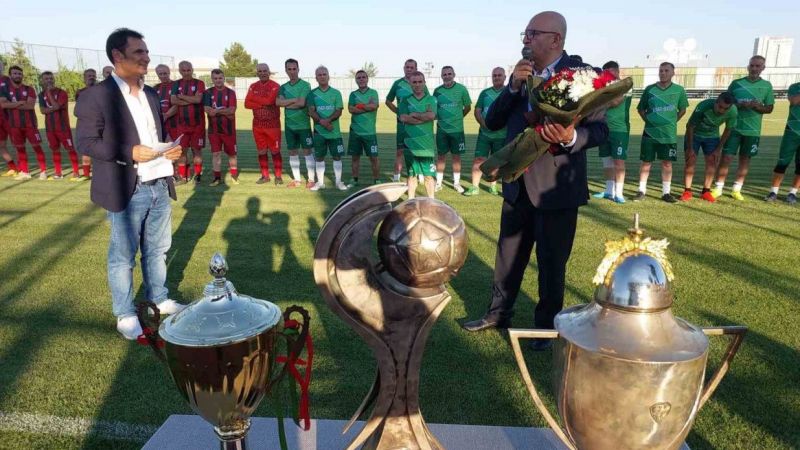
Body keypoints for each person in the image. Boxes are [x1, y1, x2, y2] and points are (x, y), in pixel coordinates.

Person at [461, 11, 608, 352]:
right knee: (507, 256)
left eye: (533, 33)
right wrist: (513, 86)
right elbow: (493, 122)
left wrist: (572, 137)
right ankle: (498, 313)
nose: (526, 39)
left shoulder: (583, 75)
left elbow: (601, 130)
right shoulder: (520, 75)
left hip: (557, 189)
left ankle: (546, 329)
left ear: (556, 39)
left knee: (552, 263)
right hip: (518, 184)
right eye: (524, 34)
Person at [75, 28, 185, 340]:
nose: (146, 58)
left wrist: (169, 148)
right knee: (123, 256)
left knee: (158, 249)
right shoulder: (96, 96)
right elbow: (85, 142)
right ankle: (124, 313)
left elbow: (153, 136)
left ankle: (159, 299)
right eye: (139, 52)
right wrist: (129, 152)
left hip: (159, 182)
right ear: (117, 56)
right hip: (127, 186)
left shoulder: (151, 94)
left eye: (146, 52)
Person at [713, 55, 774, 201]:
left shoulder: (767, 86)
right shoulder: (736, 84)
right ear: (748, 67)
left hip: (753, 131)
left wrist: (757, 106)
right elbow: (726, 102)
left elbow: (769, 108)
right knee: (726, 158)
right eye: (752, 65)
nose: (754, 68)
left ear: (763, 68)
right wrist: (740, 105)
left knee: (745, 160)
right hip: (734, 128)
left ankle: (736, 189)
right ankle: (718, 188)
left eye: (757, 66)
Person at [633, 62, 688, 203]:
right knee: (646, 162)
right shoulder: (650, 89)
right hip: (650, 133)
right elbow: (640, 109)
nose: (663, 73)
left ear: (673, 73)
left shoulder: (679, 90)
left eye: (666, 70)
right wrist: (648, 121)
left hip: (668, 134)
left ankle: (666, 193)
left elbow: (683, 110)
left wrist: (671, 122)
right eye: (661, 70)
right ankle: (641, 191)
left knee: (667, 163)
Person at [680, 92, 737, 202]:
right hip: (694, 135)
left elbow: (728, 130)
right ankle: (687, 191)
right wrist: (690, 148)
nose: (722, 111)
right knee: (690, 160)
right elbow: (690, 126)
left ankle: (706, 191)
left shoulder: (733, 111)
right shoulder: (703, 106)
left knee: (712, 161)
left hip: (712, 137)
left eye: (725, 109)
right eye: (720, 107)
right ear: (716, 102)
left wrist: (718, 149)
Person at [0, 65, 48, 181]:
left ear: (22, 75)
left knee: (37, 147)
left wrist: (12, 105)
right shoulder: (6, 91)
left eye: (19, 74)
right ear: (10, 75)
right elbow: (3, 105)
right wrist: (20, 102)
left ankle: (43, 171)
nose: (17, 76)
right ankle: (25, 172)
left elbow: (30, 106)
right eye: (15, 73)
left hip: (30, 124)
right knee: (20, 149)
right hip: (15, 125)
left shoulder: (29, 89)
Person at [464, 67, 506, 197]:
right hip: (485, 134)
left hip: (501, 135)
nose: (496, 77)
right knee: (479, 160)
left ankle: (493, 186)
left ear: (505, 77)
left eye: (499, 75)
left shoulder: (508, 93)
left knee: (496, 161)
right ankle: (474, 187)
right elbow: (477, 110)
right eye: (494, 75)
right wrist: (484, 124)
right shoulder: (485, 93)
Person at [592, 61, 630, 203]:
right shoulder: (604, 86)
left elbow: (615, 102)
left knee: (618, 162)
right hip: (603, 127)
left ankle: (618, 193)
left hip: (619, 130)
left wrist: (598, 102)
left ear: (617, 71)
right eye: (605, 72)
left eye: (609, 72)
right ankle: (609, 191)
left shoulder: (625, 85)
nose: (606, 75)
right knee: (606, 161)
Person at [386, 59, 429, 182]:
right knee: (400, 151)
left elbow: (428, 100)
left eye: (411, 67)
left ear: (416, 69)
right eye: (407, 67)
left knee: (418, 150)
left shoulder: (420, 84)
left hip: (418, 124)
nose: (409, 69)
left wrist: (422, 116)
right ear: (404, 68)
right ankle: (396, 178)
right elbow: (388, 101)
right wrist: (398, 112)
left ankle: (420, 175)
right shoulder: (397, 83)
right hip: (403, 124)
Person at [399, 71, 437, 198]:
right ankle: (411, 201)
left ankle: (431, 201)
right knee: (411, 175)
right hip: (411, 144)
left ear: (424, 82)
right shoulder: (405, 100)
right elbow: (403, 118)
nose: (417, 84)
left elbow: (431, 116)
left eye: (420, 81)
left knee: (429, 176)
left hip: (427, 146)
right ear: (410, 84)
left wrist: (414, 115)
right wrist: (423, 117)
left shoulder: (431, 99)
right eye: (414, 82)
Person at [307, 66, 346, 191]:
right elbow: (311, 111)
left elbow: (339, 111)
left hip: (334, 132)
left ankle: (338, 182)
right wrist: (322, 122)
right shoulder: (312, 94)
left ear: (328, 76)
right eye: (319, 75)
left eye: (324, 74)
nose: (322, 76)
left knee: (337, 157)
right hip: (319, 132)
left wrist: (327, 121)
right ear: (316, 78)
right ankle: (320, 183)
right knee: (319, 157)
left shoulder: (336, 93)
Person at [433, 65, 471, 193]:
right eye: (444, 74)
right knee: (441, 156)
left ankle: (456, 183)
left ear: (454, 75)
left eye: (449, 74)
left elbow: (467, 107)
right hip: (442, 130)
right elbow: (434, 109)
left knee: (456, 157)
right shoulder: (437, 91)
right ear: (441, 76)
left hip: (457, 130)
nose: (447, 76)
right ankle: (438, 183)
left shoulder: (461, 89)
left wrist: (458, 118)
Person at [277, 59, 314, 188]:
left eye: (294, 69)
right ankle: (297, 180)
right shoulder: (283, 87)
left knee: (307, 152)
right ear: (286, 70)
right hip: (289, 126)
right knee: (292, 152)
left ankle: (311, 179)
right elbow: (278, 103)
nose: (292, 71)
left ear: (298, 69)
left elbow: (302, 103)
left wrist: (287, 103)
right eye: (289, 69)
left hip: (304, 125)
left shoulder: (305, 85)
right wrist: (294, 100)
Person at [245, 63, 282, 184]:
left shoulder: (275, 86)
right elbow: (247, 104)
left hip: (273, 125)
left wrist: (254, 99)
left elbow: (270, 101)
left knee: (275, 151)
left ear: (269, 72)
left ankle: (278, 177)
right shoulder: (253, 86)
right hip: (257, 125)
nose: (262, 73)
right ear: (257, 73)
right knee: (261, 151)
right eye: (260, 71)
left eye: (265, 71)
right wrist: (262, 103)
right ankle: (265, 176)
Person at [38, 71, 79, 180]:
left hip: (63, 127)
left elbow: (56, 106)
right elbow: (42, 111)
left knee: (70, 149)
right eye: (46, 79)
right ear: (42, 80)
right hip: (50, 128)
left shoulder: (61, 92)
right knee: (55, 150)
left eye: (51, 78)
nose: (49, 80)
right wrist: (51, 108)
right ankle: (58, 173)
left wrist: (48, 93)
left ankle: (76, 172)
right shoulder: (41, 95)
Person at [170, 60, 206, 184]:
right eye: (183, 70)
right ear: (180, 71)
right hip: (182, 125)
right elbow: (173, 101)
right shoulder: (176, 84)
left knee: (197, 151)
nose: (186, 73)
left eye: (188, 70)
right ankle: (183, 176)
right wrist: (191, 99)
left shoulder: (199, 83)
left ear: (192, 69)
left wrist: (181, 96)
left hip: (198, 125)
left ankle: (198, 175)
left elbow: (198, 100)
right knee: (182, 152)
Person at [765, 81, 800, 205]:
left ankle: (793, 193)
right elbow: (794, 101)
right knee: (782, 162)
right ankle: (773, 192)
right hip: (792, 131)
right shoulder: (795, 87)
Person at [204, 68, 238, 186]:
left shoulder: (231, 93)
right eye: (215, 78)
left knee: (232, 154)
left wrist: (217, 111)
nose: (218, 80)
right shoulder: (208, 93)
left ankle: (234, 176)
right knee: (216, 154)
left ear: (224, 78)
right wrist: (224, 110)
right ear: (212, 79)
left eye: (220, 78)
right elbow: (208, 110)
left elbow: (232, 110)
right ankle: (217, 178)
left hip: (229, 130)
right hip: (214, 131)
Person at [347, 70, 380, 186]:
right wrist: (366, 107)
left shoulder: (373, 93)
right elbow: (351, 109)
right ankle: (354, 180)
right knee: (355, 158)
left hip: (369, 132)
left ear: (367, 79)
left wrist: (359, 106)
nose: (361, 79)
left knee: (374, 158)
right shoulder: (353, 94)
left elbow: (374, 106)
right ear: (356, 80)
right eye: (359, 78)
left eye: (363, 77)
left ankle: (377, 180)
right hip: (355, 132)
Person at [73, 69, 97, 181]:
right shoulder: (80, 92)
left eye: (93, 75)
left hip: (98, 124)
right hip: (85, 125)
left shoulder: (100, 90)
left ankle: (99, 173)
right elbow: (77, 110)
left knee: (99, 149)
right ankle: (86, 174)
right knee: (85, 149)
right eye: (89, 75)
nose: (91, 77)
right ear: (84, 78)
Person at [0, 60, 20, 177]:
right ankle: (12, 167)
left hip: (8, 116)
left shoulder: (7, 80)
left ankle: (22, 167)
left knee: (16, 143)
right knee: (1, 145)